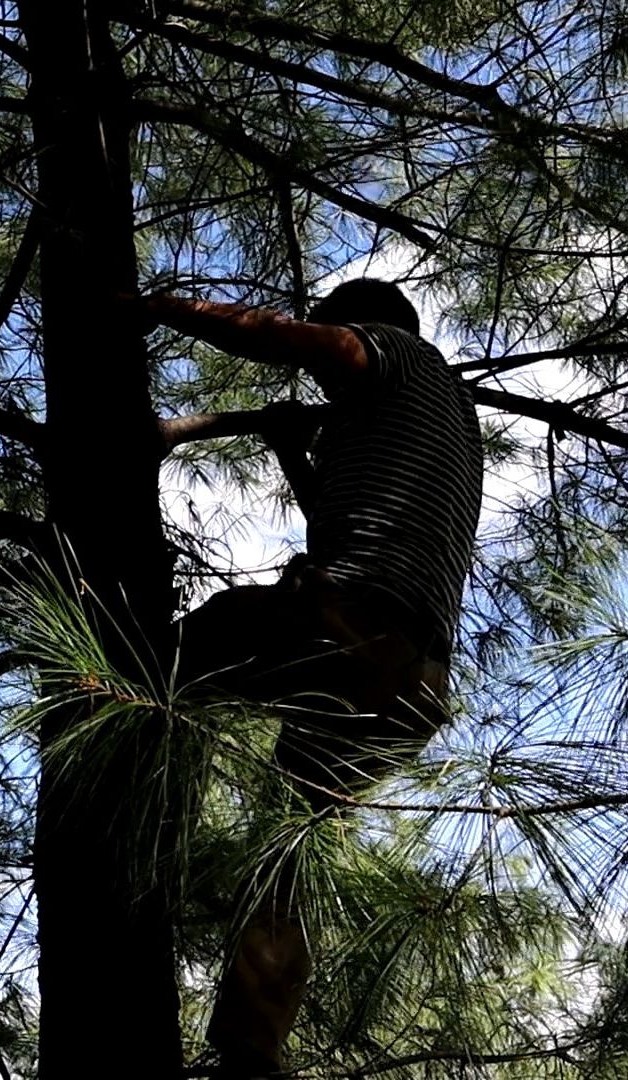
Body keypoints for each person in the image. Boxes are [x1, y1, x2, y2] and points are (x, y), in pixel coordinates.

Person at [141, 279, 484, 1077]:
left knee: (152, 662)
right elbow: (342, 516)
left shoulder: (398, 354)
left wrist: (159, 307)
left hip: (349, 621)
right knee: (287, 853)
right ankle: (249, 1055)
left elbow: (293, 340)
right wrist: (292, 448)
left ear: (360, 328)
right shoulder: (440, 418)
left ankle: (117, 775)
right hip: (411, 678)